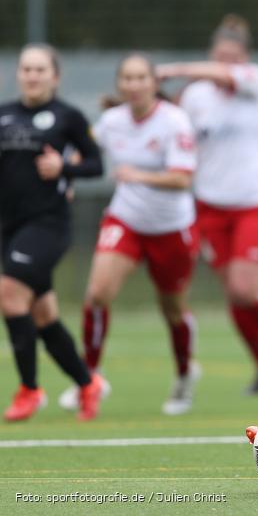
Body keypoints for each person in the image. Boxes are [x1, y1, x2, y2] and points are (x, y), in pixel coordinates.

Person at [58, 53, 200, 416]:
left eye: (141, 78)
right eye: (128, 78)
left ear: (154, 83)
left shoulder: (174, 121)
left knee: (172, 309)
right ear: (120, 84)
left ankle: (184, 374)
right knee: (97, 294)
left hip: (172, 228)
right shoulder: (111, 121)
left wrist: (139, 176)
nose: (134, 85)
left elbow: (183, 178)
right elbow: (83, 152)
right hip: (126, 221)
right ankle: (89, 378)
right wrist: (66, 177)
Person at [157, 16, 258, 395]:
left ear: (243, 59)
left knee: (245, 289)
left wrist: (175, 70)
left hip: (254, 201)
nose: (224, 65)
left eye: (231, 58)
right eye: (219, 57)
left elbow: (226, 76)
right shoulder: (196, 97)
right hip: (210, 205)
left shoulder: (254, 80)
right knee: (232, 292)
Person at [1, 43, 105, 422]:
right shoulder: (5, 114)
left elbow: (95, 164)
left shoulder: (68, 117)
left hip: (48, 225)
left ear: (54, 76)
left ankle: (29, 390)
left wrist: (63, 168)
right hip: (9, 229)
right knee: (43, 316)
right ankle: (86, 383)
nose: (32, 75)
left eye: (40, 69)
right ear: (19, 74)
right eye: (26, 69)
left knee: (10, 298)